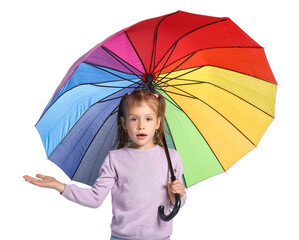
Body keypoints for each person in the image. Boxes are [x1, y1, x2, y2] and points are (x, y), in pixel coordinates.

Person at [24, 90, 187, 240]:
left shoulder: (172, 157)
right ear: (124, 123)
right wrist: (61, 187)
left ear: (158, 122)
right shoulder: (115, 159)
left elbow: (178, 201)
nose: (141, 125)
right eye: (133, 119)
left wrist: (176, 195)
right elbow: (95, 198)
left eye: (148, 118)